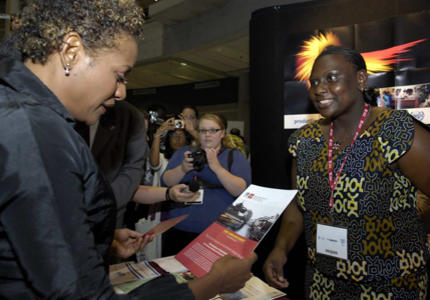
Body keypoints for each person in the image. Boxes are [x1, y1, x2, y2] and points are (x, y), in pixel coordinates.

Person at [0, 1, 256, 299]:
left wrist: (99, 242)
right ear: (71, 51)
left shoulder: (20, 114)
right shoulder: (36, 131)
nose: (121, 92)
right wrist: (212, 284)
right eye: (120, 76)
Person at [263, 46, 430, 299]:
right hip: (322, 283)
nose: (319, 89)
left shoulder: (397, 130)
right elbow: (298, 206)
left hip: (390, 285)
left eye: (332, 77)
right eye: (315, 82)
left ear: (361, 79)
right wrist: (280, 249)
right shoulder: (303, 141)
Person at [162, 113, 252, 256]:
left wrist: (216, 167)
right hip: (179, 230)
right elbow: (166, 182)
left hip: (219, 233)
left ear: (222, 133)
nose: (207, 135)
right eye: (203, 130)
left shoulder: (233, 155)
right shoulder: (184, 153)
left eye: (213, 130)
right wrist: (183, 168)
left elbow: (240, 190)